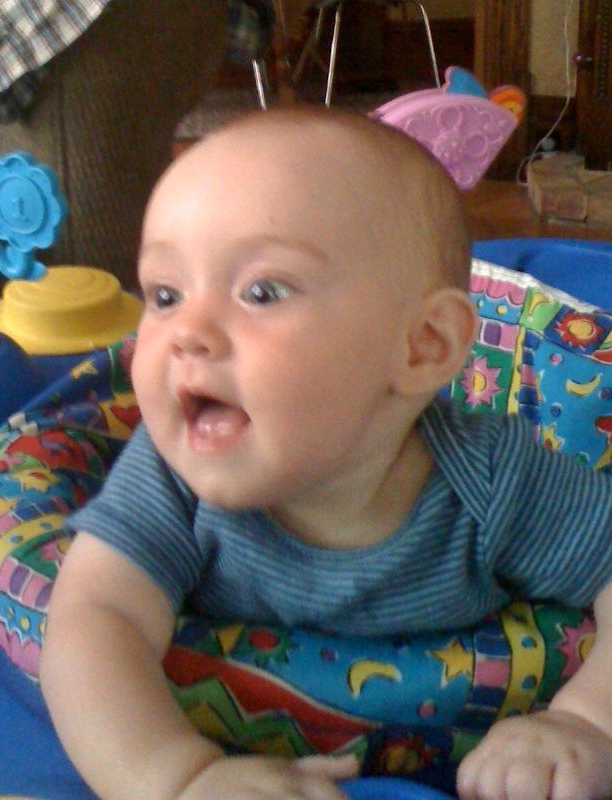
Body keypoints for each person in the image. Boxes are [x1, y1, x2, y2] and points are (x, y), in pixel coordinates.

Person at [40, 106, 612, 800]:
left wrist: (587, 720)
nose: (187, 331)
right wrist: (179, 778)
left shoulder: (492, 479)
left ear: (424, 346)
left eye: (262, 292)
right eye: (165, 294)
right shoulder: (169, 477)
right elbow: (93, 620)